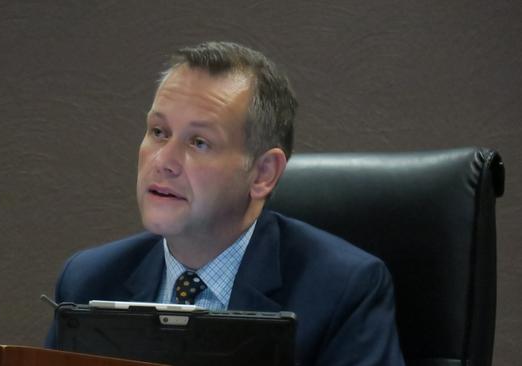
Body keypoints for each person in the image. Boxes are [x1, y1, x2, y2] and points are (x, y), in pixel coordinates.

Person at [46, 41, 405, 365]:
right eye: (159, 132)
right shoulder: (89, 281)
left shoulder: (342, 290)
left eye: (198, 142)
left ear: (263, 173)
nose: (163, 161)